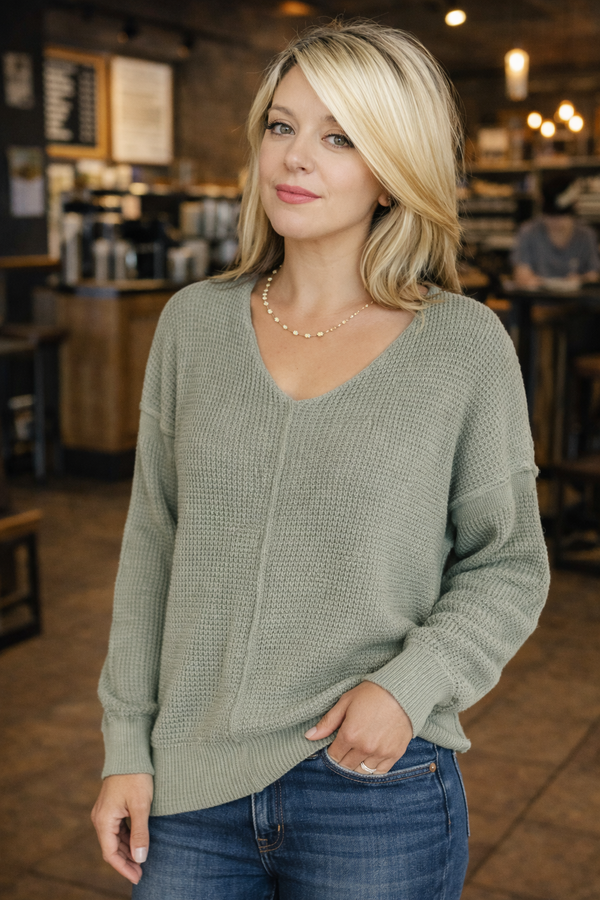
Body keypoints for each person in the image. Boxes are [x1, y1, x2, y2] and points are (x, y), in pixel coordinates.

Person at [92, 21, 550, 900]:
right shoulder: (192, 323)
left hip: (372, 788)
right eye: (282, 126)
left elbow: (509, 564)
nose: (296, 158)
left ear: (391, 168)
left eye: (340, 136)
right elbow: (153, 543)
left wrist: (409, 686)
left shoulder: (463, 345)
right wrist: (125, 745)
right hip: (189, 785)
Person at [513, 173, 600, 288]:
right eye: (550, 216)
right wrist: (528, 280)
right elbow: (521, 272)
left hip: (577, 303)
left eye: (561, 217)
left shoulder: (586, 235)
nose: (555, 222)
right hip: (539, 302)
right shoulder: (528, 232)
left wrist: (581, 279)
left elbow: (594, 273)